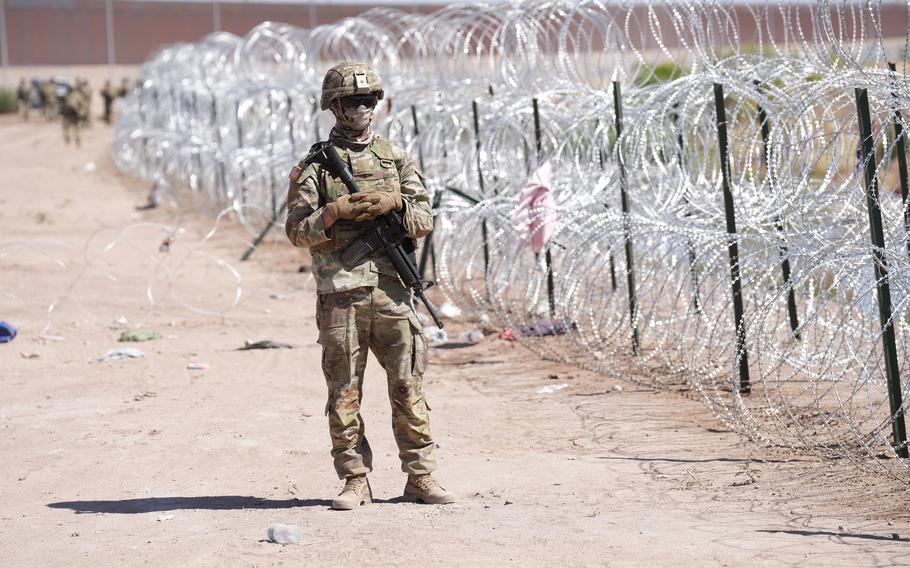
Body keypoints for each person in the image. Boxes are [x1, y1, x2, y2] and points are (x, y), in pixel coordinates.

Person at [285, 62, 454, 510]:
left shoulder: (394, 159)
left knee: (408, 385)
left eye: (369, 99)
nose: (362, 108)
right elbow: (296, 231)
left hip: (393, 290)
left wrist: (394, 202)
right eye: (353, 101)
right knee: (344, 392)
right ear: (334, 106)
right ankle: (355, 480)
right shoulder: (315, 167)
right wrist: (334, 212)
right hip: (341, 292)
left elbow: (424, 219)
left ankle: (421, 477)